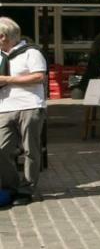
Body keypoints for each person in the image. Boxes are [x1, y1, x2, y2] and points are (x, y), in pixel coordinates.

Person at [0, 17, 47, 205]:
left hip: (30, 105)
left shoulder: (32, 53)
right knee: (2, 149)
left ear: (3, 36)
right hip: (4, 107)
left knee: (31, 149)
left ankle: (26, 189)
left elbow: (39, 77)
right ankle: (11, 186)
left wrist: (7, 79)